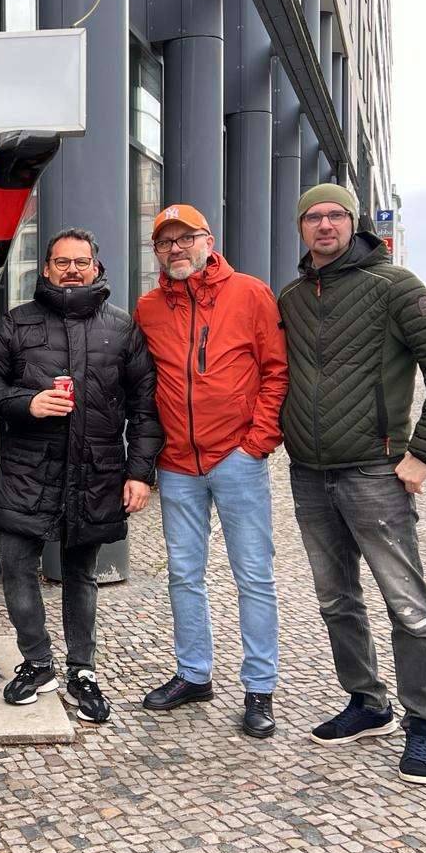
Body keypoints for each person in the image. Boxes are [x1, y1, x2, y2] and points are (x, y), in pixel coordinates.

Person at [279, 184, 426, 785]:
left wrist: (424, 454)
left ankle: (424, 723)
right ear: (301, 227)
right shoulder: (292, 297)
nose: (325, 225)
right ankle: (367, 702)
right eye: (313, 216)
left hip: (375, 470)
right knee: (336, 599)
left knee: (406, 604)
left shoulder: (395, 287)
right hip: (310, 473)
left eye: (336, 215)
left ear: (354, 222)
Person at [0, 228, 163, 723]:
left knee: (81, 575)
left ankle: (83, 670)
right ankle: (38, 664)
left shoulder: (121, 328)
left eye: (81, 262)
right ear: (46, 269)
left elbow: (146, 409)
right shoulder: (16, 323)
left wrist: (139, 473)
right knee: (18, 567)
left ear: (96, 268)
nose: (72, 270)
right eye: (62, 262)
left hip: (95, 472)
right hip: (27, 472)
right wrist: (27, 402)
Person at [134, 205, 288, 738]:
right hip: (178, 463)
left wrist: (256, 444)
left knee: (254, 576)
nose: (176, 249)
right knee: (183, 574)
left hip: (237, 459)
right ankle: (193, 673)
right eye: (165, 242)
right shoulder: (149, 308)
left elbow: (276, 372)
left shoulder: (250, 294)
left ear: (208, 240)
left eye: (186, 239)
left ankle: (259, 686)